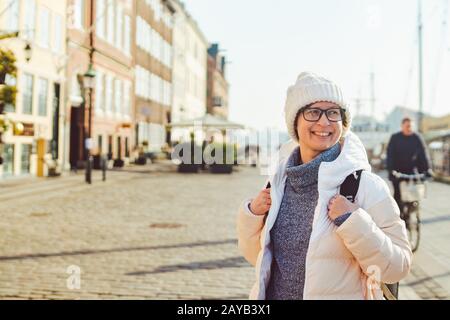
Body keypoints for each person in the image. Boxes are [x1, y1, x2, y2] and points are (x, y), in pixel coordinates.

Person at [236, 72, 412, 300]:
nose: (324, 121)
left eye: (333, 112)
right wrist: (251, 216)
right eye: (312, 112)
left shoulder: (366, 186)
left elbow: (398, 267)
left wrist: (353, 222)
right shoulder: (278, 183)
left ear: (343, 122)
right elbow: (257, 259)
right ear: (295, 123)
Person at [386, 117, 432, 209]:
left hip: (412, 170)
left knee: (416, 193)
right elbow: (390, 155)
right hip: (397, 171)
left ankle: (414, 212)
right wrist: (391, 170)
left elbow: (423, 154)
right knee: (398, 196)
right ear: (402, 126)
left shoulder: (417, 138)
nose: (409, 128)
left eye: (411, 126)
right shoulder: (395, 138)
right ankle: (399, 215)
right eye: (407, 126)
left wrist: (428, 169)